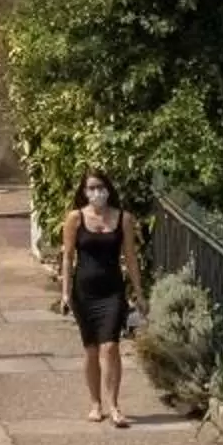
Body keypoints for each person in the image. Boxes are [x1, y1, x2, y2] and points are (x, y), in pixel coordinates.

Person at [56, 168, 144, 429]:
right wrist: (65, 292)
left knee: (111, 346)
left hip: (112, 291)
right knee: (92, 349)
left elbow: (130, 256)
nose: (97, 193)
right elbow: (68, 256)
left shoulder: (123, 219)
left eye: (101, 187)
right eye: (91, 188)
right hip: (84, 292)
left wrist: (138, 291)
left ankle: (114, 405)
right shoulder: (75, 218)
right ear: (84, 192)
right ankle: (96, 403)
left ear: (109, 189)